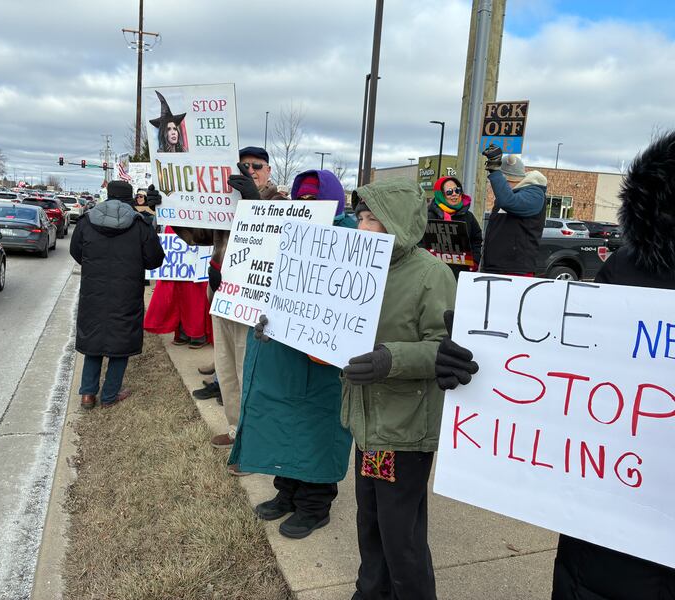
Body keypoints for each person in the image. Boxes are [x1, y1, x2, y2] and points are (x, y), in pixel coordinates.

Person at [436, 132, 675, 600]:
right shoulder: (632, 265)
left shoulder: (530, 193)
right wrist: (478, 365)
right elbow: (568, 376)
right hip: (603, 547)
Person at [342, 179, 456, 600]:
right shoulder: (355, 266)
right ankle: (370, 592)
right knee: (369, 522)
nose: (364, 226)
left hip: (403, 429)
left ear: (400, 222)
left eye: (374, 218)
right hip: (367, 424)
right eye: (361, 217)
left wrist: (391, 359)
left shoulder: (431, 275)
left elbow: (445, 350)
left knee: (399, 534)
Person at [229, 170, 356, 539]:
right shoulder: (286, 229)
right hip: (282, 351)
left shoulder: (349, 237)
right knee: (282, 421)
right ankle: (287, 492)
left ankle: (315, 505)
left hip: (320, 358)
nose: (306, 206)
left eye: (315, 200)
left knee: (317, 427)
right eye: (302, 199)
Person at [149, 147, 286, 459]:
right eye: (244, 165)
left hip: (255, 304)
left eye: (257, 166)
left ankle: (256, 442)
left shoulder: (278, 200)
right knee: (226, 372)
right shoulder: (225, 203)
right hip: (223, 297)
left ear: (267, 171)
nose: (250, 170)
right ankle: (238, 430)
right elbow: (197, 235)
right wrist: (167, 209)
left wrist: (253, 200)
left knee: (249, 372)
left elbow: (277, 235)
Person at [70, 180, 165, 409]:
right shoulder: (141, 225)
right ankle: (110, 394)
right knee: (120, 341)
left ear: (108, 196)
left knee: (93, 338)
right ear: (129, 198)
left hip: (93, 292)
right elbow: (155, 259)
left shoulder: (85, 222)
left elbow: (76, 251)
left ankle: (88, 394)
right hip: (127, 292)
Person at [480, 145, 547, 275]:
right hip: (496, 267)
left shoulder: (534, 194)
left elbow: (508, 201)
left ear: (506, 179)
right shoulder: (509, 195)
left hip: (515, 269)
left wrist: (494, 168)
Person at [143, 225, 213, 349]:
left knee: (195, 294)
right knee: (177, 293)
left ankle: (197, 333)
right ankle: (183, 331)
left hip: (198, 231)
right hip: (177, 230)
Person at [424, 175, 482, 275]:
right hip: (433, 273)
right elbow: (419, 242)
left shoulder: (469, 216)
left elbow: (476, 240)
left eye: (457, 190)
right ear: (440, 195)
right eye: (449, 192)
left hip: (461, 273)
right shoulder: (427, 217)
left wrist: (475, 261)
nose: (455, 194)